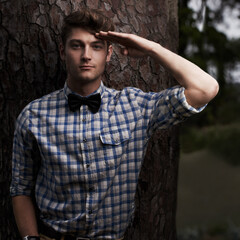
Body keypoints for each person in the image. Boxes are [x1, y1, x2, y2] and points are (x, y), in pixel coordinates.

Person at [10, 9, 219, 240]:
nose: (86, 55)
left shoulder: (136, 108)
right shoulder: (33, 115)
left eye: (96, 46)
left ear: (109, 53)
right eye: (77, 45)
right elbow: (21, 187)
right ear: (63, 51)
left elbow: (205, 89)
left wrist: (153, 49)